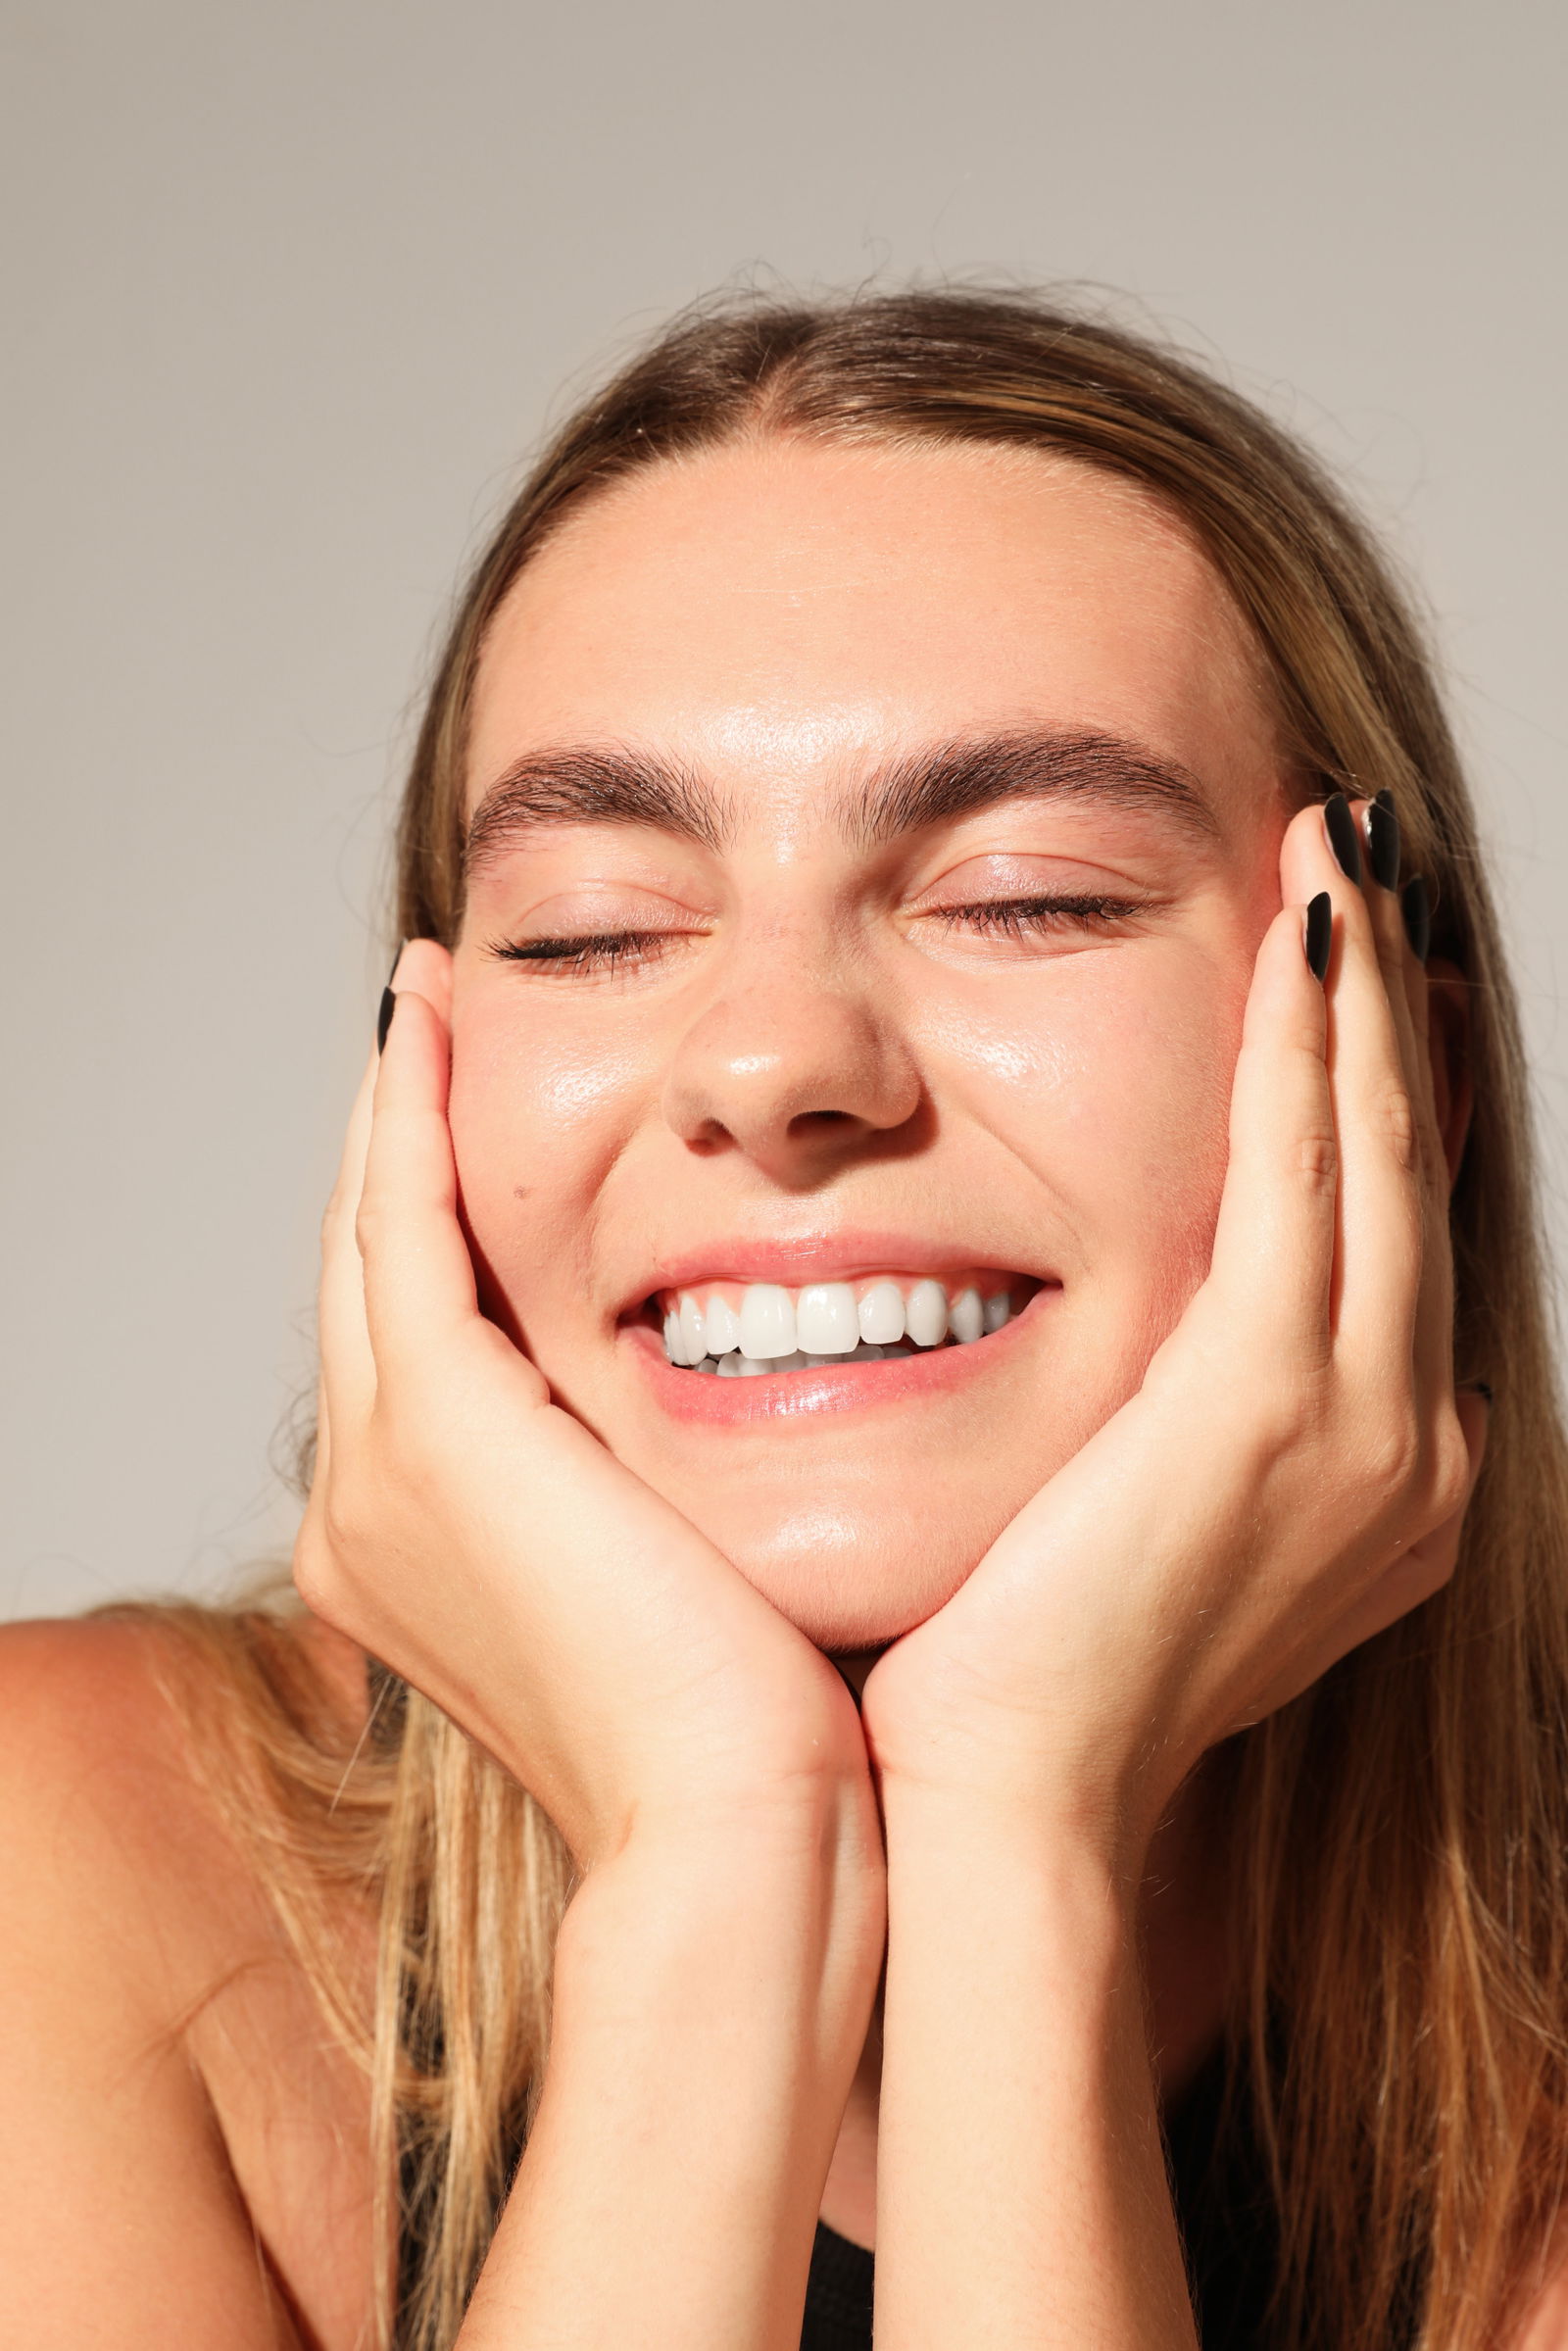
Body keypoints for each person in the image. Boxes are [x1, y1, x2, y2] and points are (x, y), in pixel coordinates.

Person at [6, 286, 1568, 2351]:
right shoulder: (77, 1873)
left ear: (1394, 1084)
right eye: (596, 930)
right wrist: (714, 1870)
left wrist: (1018, 1830)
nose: (770, 1062)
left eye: (1028, 894)